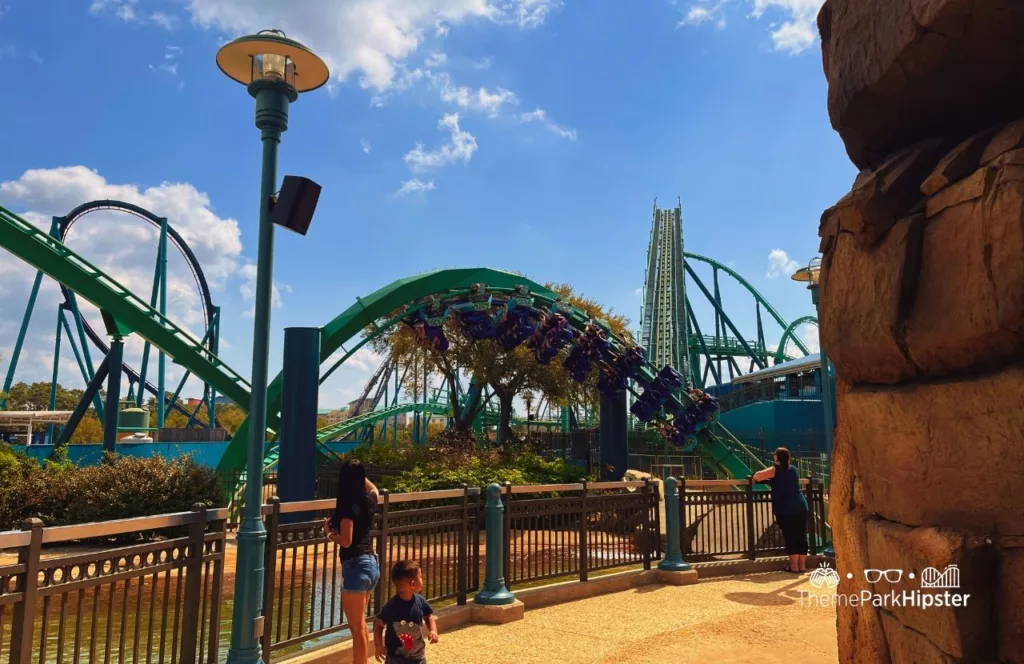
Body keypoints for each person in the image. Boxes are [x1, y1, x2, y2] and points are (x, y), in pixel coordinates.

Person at [323, 460, 380, 663]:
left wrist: (329, 534)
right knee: (362, 624)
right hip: (371, 564)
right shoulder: (369, 501)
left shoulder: (347, 507)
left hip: (356, 566)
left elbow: (346, 541)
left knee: (356, 628)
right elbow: (374, 488)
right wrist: (358, 476)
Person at [752, 447, 809, 573]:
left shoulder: (774, 470)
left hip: (785, 508)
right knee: (801, 535)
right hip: (801, 506)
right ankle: (802, 566)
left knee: (790, 536)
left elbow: (758, 476)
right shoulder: (794, 469)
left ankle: (793, 567)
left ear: (776, 457)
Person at [374, 561, 439, 663]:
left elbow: (429, 617)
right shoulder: (391, 606)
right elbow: (379, 625)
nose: (422, 580)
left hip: (418, 657)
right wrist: (378, 646)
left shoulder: (420, 601)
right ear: (413, 584)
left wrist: (433, 630)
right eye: (420, 577)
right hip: (395, 658)